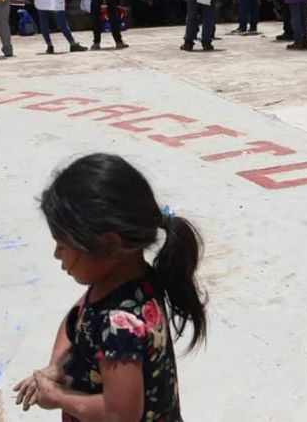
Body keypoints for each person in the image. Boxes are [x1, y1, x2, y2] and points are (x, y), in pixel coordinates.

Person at [12, 153, 207, 421]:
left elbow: (120, 413)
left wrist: (56, 396)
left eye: (63, 245)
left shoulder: (120, 324)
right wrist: (57, 366)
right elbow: (78, 316)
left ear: (110, 244)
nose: (57, 255)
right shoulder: (127, 282)